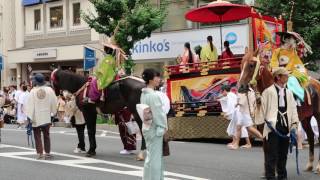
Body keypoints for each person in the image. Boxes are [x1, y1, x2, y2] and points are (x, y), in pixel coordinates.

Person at [256, 67, 299, 180]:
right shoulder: (268, 92)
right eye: (285, 75)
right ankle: (270, 176)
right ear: (278, 77)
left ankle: (282, 176)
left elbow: (293, 109)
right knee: (272, 155)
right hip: (273, 127)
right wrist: (258, 103)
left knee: (283, 154)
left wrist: (294, 124)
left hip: (285, 127)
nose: (287, 77)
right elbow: (262, 110)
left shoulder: (289, 93)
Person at [141, 68, 167, 180]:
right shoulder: (153, 95)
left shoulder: (144, 94)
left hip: (147, 127)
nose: (159, 79)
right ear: (151, 79)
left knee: (150, 158)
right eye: (157, 77)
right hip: (155, 129)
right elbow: (159, 114)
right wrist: (164, 127)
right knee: (155, 160)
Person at [25, 73, 58, 160]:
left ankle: (40, 153)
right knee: (46, 135)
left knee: (37, 135)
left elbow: (30, 105)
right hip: (46, 115)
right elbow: (54, 101)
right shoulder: (49, 90)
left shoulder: (33, 91)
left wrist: (29, 117)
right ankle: (47, 153)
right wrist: (53, 112)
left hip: (36, 117)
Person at [229, 86, 263, 150]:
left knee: (250, 128)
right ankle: (236, 144)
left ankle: (264, 140)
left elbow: (242, 102)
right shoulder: (250, 90)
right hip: (244, 112)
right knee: (239, 127)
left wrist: (237, 103)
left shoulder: (246, 90)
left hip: (245, 112)